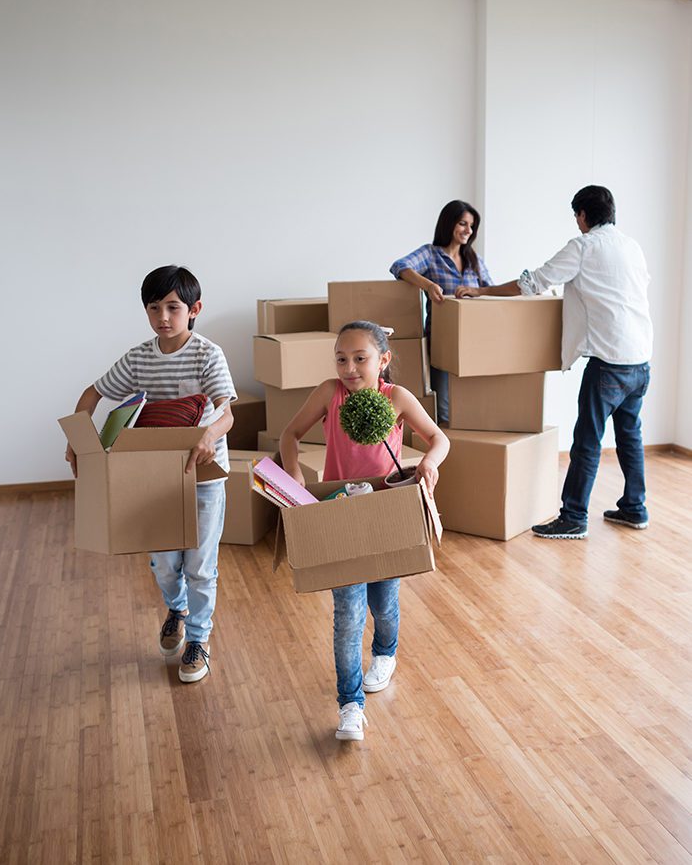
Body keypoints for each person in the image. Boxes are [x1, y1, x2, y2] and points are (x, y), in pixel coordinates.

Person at [279, 321, 449, 741]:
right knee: (348, 615)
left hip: (386, 511)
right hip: (339, 510)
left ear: (383, 360)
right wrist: (295, 473)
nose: (350, 368)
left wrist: (429, 462)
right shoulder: (328, 394)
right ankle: (350, 704)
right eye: (341, 358)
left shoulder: (398, 398)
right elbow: (290, 434)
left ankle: (386, 652)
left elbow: (438, 439)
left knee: (384, 603)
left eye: (361, 358)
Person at [65, 265, 236, 681]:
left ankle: (198, 639)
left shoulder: (207, 353)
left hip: (204, 475)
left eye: (173, 307)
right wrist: (79, 437)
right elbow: (94, 392)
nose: (163, 316)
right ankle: (176, 609)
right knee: (163, 564)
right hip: (153, 478)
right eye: (154, 307)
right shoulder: (140, 357)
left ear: (194, 309)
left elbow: (227, 412)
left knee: (200, 564)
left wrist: (209, 435)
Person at [456, 185, 653, 539]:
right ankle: (634, 508)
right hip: (640, 359)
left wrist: (481, 291)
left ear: (581, 215)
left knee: (587, 441)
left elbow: (533, 282)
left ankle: (574, 517)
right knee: (630, 436)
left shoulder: (584, 246)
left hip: (608, 362)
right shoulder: (631, 246)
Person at [390, 200, 493, 422]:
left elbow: (491, 291)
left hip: (473, 341)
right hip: (441, 340)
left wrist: (476, 291)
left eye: (471, 226)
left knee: (472, 404)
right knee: (444, 406)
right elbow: (399, 266)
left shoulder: (474, 260)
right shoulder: (431, 254)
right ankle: (446, 450)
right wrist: (426, 284)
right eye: (463, 223)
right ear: (449, 224)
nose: (468, 230)